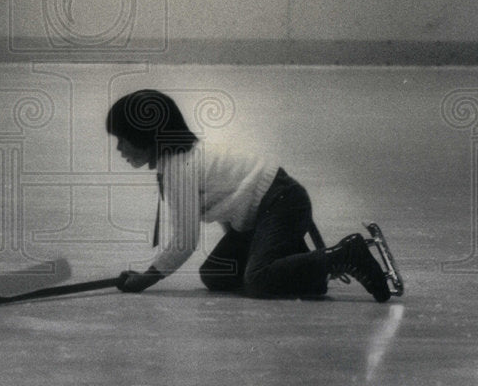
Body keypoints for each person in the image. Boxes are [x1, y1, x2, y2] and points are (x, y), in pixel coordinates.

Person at [106, 90, 393, 301]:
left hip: (282, 203)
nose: (119, 149)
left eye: (123, 139)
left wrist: (148, 277)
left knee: (257, 282)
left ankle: (346, 254)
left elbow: (184, 242)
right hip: (269, 209)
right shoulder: (179, 161)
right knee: (217, 274)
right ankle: (301, 268)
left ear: (147, 136)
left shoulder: (179, 170)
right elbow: (230, 202)